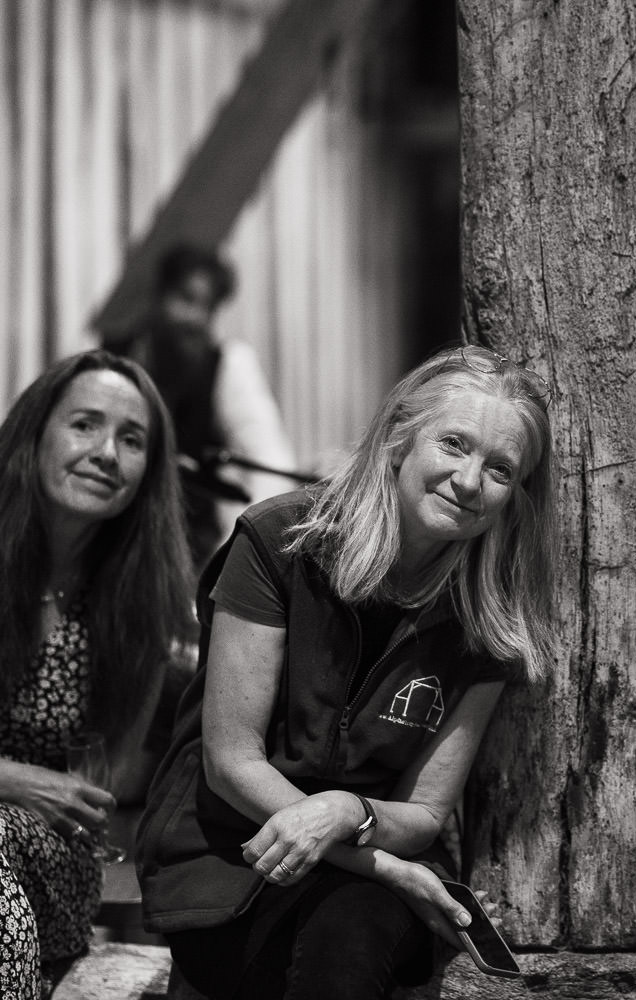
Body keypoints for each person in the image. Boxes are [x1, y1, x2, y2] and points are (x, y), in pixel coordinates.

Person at [136, 345, 558, 1000]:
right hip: (235, 855)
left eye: (500, 469)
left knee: (351, 933)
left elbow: (423, 811)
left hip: (366, 878)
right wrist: (384, 863)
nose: (470, 481)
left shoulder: (490, 623)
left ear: (515, 496)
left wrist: (349, 811)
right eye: (453, 444)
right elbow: (231, 761)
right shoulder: (279, 543)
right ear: (399, 439)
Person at [0, 351, 195, 997]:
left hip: (53, 851)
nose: (107, 452)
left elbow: (104, 786)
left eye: (132, 439)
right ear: (36, 432)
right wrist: (12, 779)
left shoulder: (144, 604)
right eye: (85, 424)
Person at [102, 242, 299, 566]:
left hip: (194, 555)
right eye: (185, 299)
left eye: (207, 307)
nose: (195, 318)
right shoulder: (112, 359)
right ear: (157, 295)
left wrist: (234, 556)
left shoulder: (228, 365)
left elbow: (270, 462)